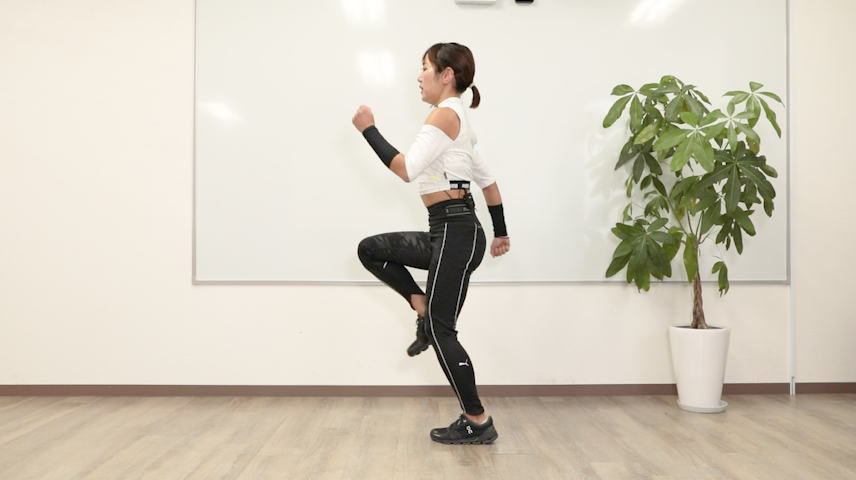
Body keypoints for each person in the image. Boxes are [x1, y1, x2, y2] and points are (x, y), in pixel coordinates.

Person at [352, 42, 510, 445]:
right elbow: (489, 183)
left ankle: (477, 420)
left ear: (446, 75)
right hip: (451, 231)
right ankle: (420, 304)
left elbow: (406, 169)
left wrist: (368, 129)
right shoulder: (458, 122)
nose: (419, 76)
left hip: (456, 231)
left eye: (425, 67)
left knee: (442, 333)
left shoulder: (444, 114)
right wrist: (500, 232)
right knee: (371, 249)